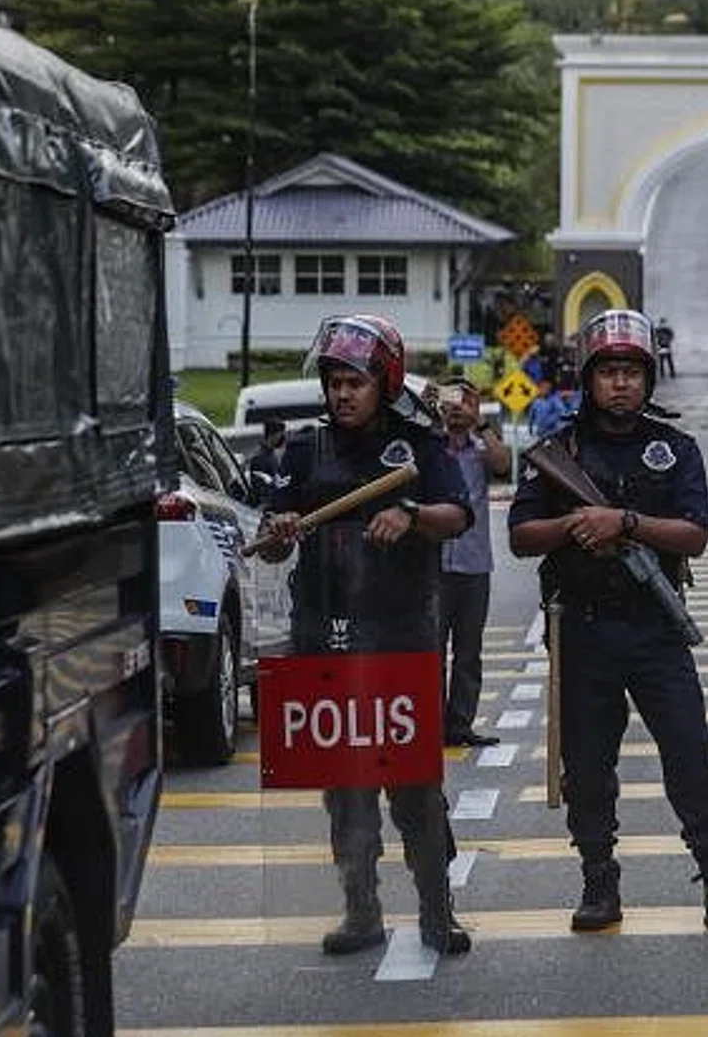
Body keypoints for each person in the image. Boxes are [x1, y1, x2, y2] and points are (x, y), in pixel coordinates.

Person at [507, 309, 708, 939]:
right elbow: (519, 536)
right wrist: (574, 525)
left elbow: (696, 536)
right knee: (588, 766)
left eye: (631, 372)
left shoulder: (675, 449)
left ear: (648, 379)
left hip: (655, 629)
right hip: (583, 632)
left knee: (692, 757)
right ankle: (598, 877)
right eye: (609, 372)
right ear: (589, 379)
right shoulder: (558, 450)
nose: (620, 384)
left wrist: (624, 523)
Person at [253, 314, 475, 957]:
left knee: (414, 788)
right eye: (334, 381)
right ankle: (360, 909)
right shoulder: (304, 447)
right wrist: (281, 530)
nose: (343, 393)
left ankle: (438, 911)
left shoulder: (418, 444)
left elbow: (456, 514)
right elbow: (267, 544)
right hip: (322, 636)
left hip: (401, 637)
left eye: (355, 381)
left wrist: (410, 516)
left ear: (385, 382)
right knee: (343, 787)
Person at [432, 376, 511, 747]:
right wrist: (435, 414)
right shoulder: (431, 447)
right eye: (452, 402)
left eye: (465, 403)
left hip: (474, 564)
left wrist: (479, 421)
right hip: (433, 566)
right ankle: (429, 724)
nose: (458, 410)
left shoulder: (481, 448)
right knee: (431, 650)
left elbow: (504, 464)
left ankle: (459, 725)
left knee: (468, 651)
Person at [246, 418, 288, 490]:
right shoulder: (259, 458)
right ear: (272, 435)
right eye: (280, 435)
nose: (282, 438)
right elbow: (260, 485)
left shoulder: (271, 454)